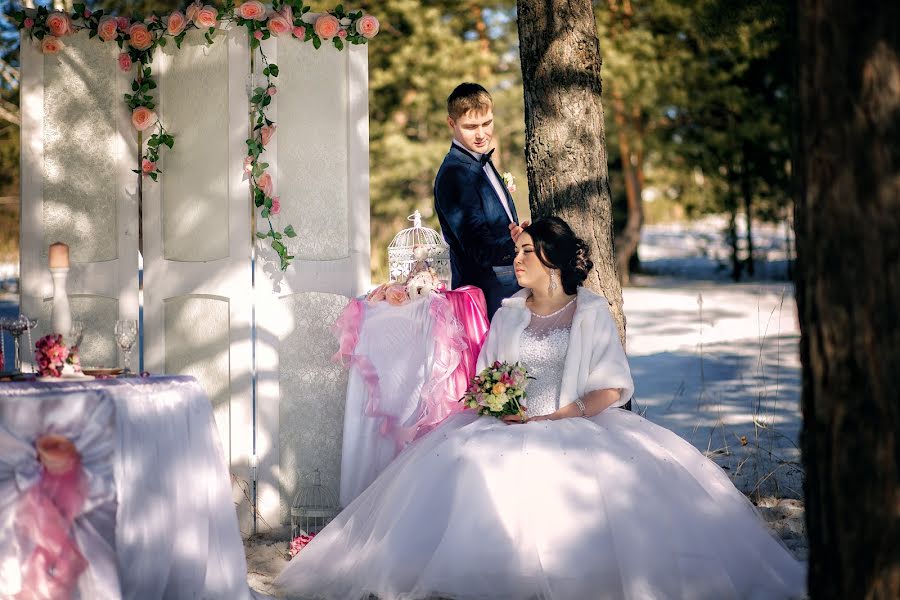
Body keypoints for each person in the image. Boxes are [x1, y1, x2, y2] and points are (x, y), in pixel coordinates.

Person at [274, 217, 806, 600]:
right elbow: (486, 376)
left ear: (551, 257)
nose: (517, 260)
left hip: (578, 423)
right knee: (464, 466)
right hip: (507, 427)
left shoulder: (590, 312)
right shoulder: (507, 314)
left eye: (526, 251)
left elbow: (611, 387)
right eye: (518, 251)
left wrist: (561, 416)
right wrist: (496, 402)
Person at [434, 82, 520, 319]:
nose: (481, 134)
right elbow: (478, 248)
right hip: (487, 296)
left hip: (508, 288)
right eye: (471, 127)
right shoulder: (454, 174)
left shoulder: (480, 161)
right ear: (451, 123)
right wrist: (523, 244)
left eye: (487, 123)